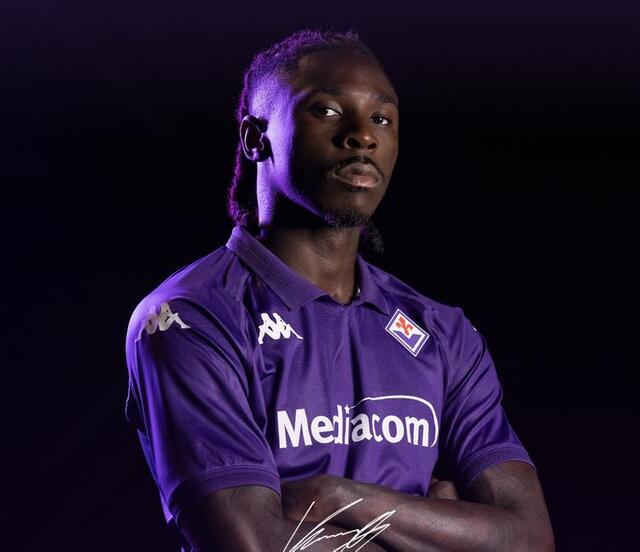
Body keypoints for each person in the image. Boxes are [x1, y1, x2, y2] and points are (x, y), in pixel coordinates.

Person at [124, 28, 555, 552]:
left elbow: (529, 540)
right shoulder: (190, 318)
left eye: (382, 119)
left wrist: (339, 498)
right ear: (255, 138)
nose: (363, 136)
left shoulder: (444, 333)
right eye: (326, 110)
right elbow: (253, 545)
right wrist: (442, 524)